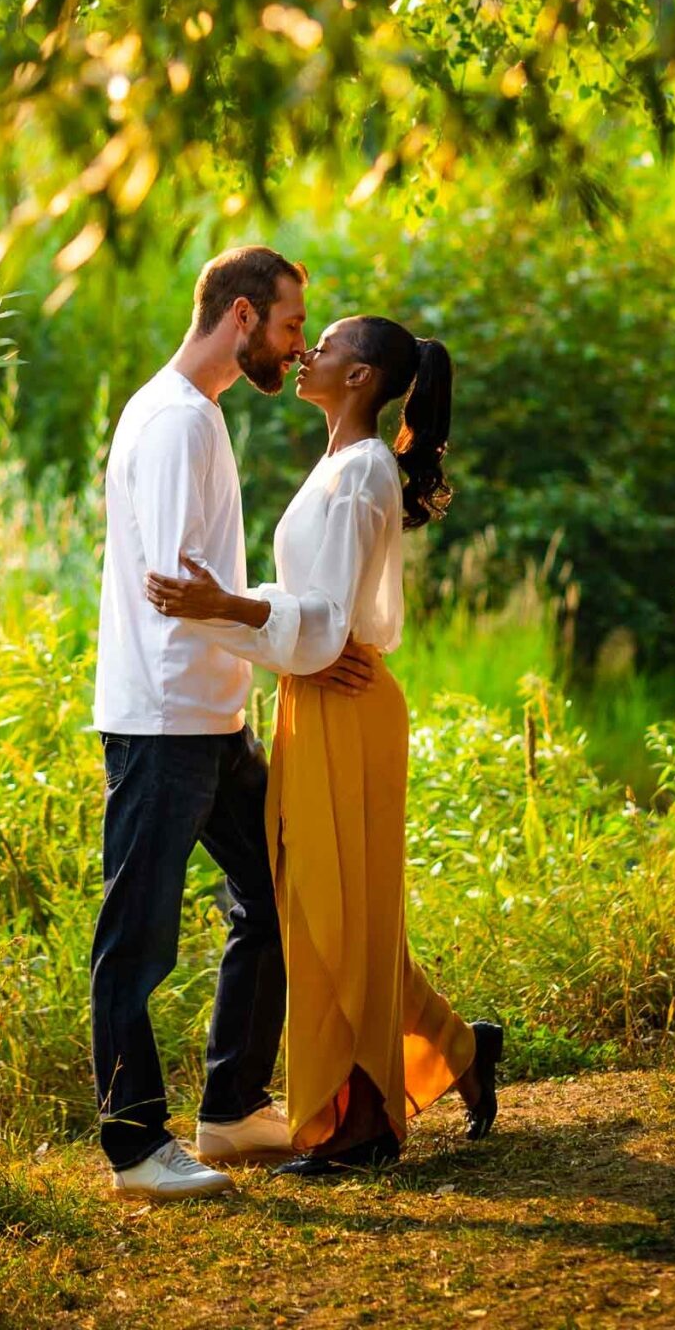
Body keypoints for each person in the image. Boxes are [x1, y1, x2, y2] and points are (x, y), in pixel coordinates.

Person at [146, 313, 503, 1177]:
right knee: (323, 902)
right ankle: (458, 1046)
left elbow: (331, 621)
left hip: (346, 700)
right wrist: (235, 609)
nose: (309, 352)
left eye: (328, 343)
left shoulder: (365, 471)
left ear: (359, 377)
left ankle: (361, 1124)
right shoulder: (341, 466)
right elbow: (312, 613)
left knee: (334, 909)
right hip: (316, 696)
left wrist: (226, 607)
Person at [91, 244, 362, 1200]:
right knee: (138, 939)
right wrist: (295, 623)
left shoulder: (196, 416)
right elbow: (177, 589)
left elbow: (198, 589)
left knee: (278, 894)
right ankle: (133, 1150)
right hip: (164, 721)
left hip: (211, 716)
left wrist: (262, 621)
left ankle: (234, 1109)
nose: (296, 350)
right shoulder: (172, 422)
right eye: (291, 326)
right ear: (241, 317)